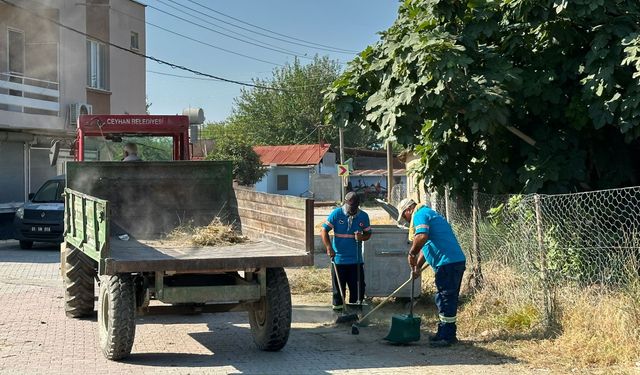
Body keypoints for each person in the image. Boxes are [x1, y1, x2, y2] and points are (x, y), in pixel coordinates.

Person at [397, 198, 466, 347]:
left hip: (449, 263)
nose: (406, 220)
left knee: (446, 299)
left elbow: (421, 237)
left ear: (408, 210)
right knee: (442, 299)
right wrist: (417, 267)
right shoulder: (427, 214)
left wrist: (411, 254)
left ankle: (448, 337)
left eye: (404, 216)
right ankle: (443, 333)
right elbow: (427, 246)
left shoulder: (420, 214)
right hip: (449, 263)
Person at [321, 192, 372, 310]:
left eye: (354, 208)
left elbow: (368, 233)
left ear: (358, 206)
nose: (351, 211)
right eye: (349, 208)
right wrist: (329, 248)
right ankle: (338, 314)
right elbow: (324, 231)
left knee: (357, 290)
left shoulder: (363, 216)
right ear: (345, 203)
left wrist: (362, 237)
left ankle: (355, 314)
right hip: (338, 260)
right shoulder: (337, 214)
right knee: (338, 291)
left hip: (356, 261)